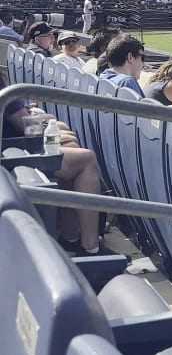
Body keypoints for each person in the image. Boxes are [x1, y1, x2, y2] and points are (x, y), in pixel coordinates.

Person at [4, 98, 102, 254]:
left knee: (70, 147)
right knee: (86, 159)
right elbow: (27, 126)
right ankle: (91, 246)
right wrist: (49, 121)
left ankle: (71, 237)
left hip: (12, 148)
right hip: (13, 154)